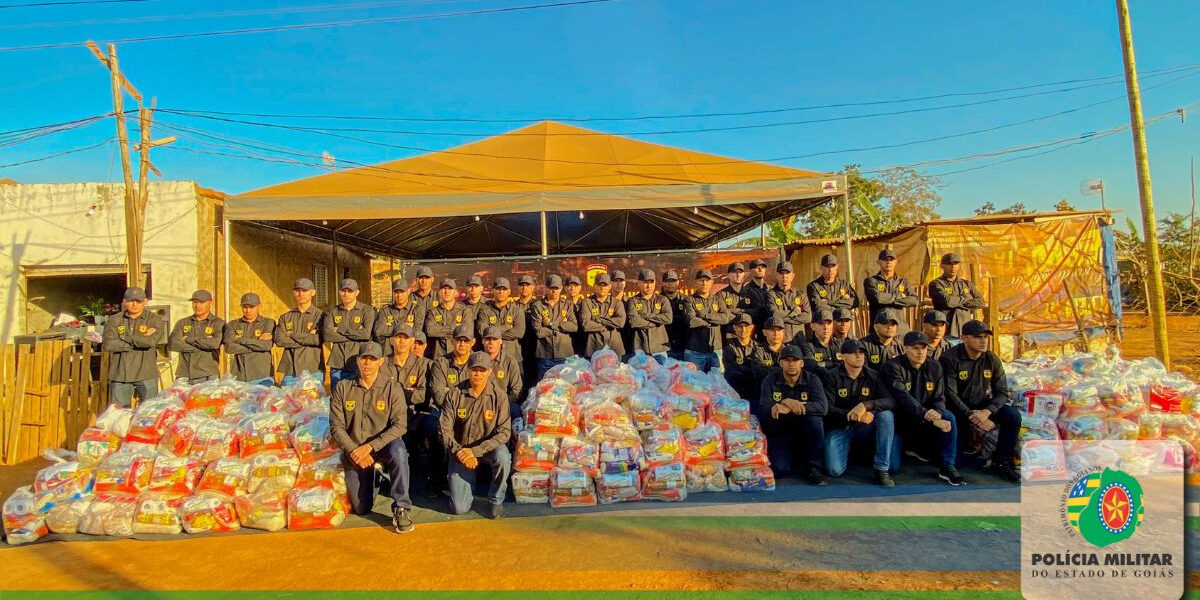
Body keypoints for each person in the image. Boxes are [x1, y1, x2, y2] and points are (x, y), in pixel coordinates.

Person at [329, 342, 413, 533]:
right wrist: (353, 450)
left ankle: (401, 507)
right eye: (364, 358)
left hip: (383, 447)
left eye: (372, 359)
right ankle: (375, 475)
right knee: (361, 508)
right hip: (355, 450)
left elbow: (400, 425)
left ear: (381, 361)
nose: (368, 363)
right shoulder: (343, 387)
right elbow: (336, 426)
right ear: (358, 361)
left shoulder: (392, 388)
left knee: (399, 451)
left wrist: (370, 447)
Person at [940, 320, 1020, 482]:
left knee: (1012, 415)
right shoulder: (950, 358)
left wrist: (987, 412)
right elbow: (950, 394)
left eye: (985, 337)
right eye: (977, 337)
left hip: (982, 405)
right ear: (964, 338)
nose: (983, 341)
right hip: (957, 409)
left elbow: (1002, 392)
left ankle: (1002, 462)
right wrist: (972, 416)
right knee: (957, 461)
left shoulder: (991, 358)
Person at [881, 331, 964, 486]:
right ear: (905, 348)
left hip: (927, 418)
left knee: (948, 417)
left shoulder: (935, 366)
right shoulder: (893, 367)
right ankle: (909, 447)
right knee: (893, 467)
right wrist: (927, 414)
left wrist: (938, 412)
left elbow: (940, 396)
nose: (920, 352)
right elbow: (903, 398)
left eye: (923, 348)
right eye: (915, 348)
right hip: (901, 420)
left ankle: (947, 466)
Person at [439, 351, 512, 518]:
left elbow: (504, 432)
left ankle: (496, 500)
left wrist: (476, 451)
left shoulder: (499, 396)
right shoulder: (454, 393)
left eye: (482, 370)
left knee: (503, 457)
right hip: (461, 451)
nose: (478, 374)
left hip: (488, 448)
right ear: (468, 370)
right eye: (474, 370)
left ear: (489, 371)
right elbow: (444, 430)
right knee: (459, 508)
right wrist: (460, 452)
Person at [823, 340, 899, 485]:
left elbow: (891, 401)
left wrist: (866, 405)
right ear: (842, 356)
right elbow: (827, 409)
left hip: (866, 427)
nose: (859, 356)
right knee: (834, 470)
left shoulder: (873, 376)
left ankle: (881, 469)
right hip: (841, 427)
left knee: (886, 416)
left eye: (861, 353)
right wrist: (853, 415)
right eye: (853, 353)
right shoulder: (831, 376)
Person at [758, 344, 828, 485]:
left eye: (795, 360)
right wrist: (782, 402)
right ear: (781, 363)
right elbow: (764, 407)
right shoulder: (770, 380)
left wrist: (792, 406)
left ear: (802, 363)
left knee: (815, 421)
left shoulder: (812, 379)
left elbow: (822, 407)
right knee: (781, 469)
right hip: (780, 432)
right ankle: (797, 461)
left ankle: (814, 467)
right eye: (787, 360)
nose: (791, 364)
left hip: (804, 432)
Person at [103, 287, 165, 406]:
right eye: (131, 300)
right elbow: (109, 344)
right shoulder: (114, 320)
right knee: (119, 415)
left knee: (148, 413)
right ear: (124, 302)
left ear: (145, 301)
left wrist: (125, 338)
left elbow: (150, 342)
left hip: (146, 374)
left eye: (138, 301)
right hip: (121, 374)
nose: (134, 304)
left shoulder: (155, 320)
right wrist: (139, 340)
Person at [322, 278, 376, 388]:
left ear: (357, 292)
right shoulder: (332, 312)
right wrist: (355, 333)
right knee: (337, 396)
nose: (346, 294)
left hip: (357, 362)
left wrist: (339, 330)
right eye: (343, 290)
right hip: (337, 362)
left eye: (350, 291)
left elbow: (365, 334)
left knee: (357, 395)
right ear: (339, 292)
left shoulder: (367, 310)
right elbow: (327, 335)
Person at [169, 289, 225, 384]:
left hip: (207, 375)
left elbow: (215, 344)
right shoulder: (182, 322)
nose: (197, 306)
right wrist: (200, 346)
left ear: (210, 303)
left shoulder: (218, 323)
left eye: (201, 302)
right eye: (195, 302)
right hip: (184, 374)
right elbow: (173, 344)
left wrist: (187, 339)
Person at [275, 278, 324, 386]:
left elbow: (317, 340)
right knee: (289, 402)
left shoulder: (321, 316)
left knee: (313, 403)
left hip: (313, 370)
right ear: (293, 293)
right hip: (290, 371)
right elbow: (279, 341)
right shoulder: (286, 317)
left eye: (304, 290)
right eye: (297, 290)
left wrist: (291, 335)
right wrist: (307, 339)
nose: (300, 294)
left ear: (313, 292)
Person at [682, 269, 733, 372]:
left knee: (718, 383)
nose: (704, 283)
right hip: (695, 352)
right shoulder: (689, 300)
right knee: (695, 384)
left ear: (711, 282)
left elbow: (725, 318)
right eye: (701, 280)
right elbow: (691, 321)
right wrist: (714, 320)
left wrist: (704, 316)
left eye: (707, 280)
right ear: (696, 282)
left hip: (716, 350)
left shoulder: (718, 299)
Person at [929, 253, 987, 339]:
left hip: (966, 333)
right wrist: (966, 297)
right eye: (949, 264)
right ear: (942, 266)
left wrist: (957, 302)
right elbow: (948, 302)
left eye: (955, 264)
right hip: (946, 333)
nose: (953, 267)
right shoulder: (936, 284)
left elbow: (981, 302)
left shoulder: (966, 284)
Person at [223, 293, 276, 385]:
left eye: (251, 307)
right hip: (240, 376)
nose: (248, 310)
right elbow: (229, 348)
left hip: (262, 375)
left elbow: (266, 346)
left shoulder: (268, 322)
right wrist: (256, 345)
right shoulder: (233, 324)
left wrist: (240, 340)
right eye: (245, 307)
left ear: (259, 306)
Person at [531, 275, 578, 380]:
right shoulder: (538, 306)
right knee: (545, 389)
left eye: (557, 288)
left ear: (561, 288)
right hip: (545, 355)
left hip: (565, 355)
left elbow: (574, 327)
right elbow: (538, 331)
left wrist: (551, 324)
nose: (554, 291)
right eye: (551, 288)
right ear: (546, 288)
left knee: (567, 388)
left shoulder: (568, 304)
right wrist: (561, 326)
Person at [863, 249, 918, 333]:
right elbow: (878, 298)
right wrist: (900, 296)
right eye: (885, 260)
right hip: (879, 329)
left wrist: (887, 299)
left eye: (891, 260)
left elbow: (914, 300)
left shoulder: (903, 281)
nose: (888, 262)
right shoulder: (871, 281)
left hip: (900, 330)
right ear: (879, 262)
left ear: (896, 262)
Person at [624, 269, 673, 364]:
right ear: (639, 283)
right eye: (645, 282)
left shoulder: (662, 299)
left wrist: (645, 317)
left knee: (662, 376)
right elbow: (634, 322)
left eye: (651, 282)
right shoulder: (632, 301)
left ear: (655, 283)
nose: (648, 285)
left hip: (660, 348)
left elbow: (668, 318)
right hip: (641, 349)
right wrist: (656, 321)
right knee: (641, 377)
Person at [474, 277, 526, 361]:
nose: (501, 292)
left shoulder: (517, 310)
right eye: (498, 289)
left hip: (513, 357)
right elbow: (483, 332)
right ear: (493, 291)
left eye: (504, 289)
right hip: (490, 357)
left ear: (509, 292)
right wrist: (507, 327)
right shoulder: (484, 310)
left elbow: (519, 332)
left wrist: (493, 332)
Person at [578, 273, 626, 358]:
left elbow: (620, 322)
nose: (602, 288)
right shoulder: (586, 302)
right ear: (594, 286)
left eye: (605, 285)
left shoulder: (617, 303)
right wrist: (610, 325)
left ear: (609, 286)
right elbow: (586, 325)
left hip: (615, 349)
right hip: (593, 348)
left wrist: (599, 319)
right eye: (599, 285)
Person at [374, 278, 426, 355]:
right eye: (396, 292)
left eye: (402, 292)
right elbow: (379, 330)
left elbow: (416, 330)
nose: (399, 295)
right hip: (389, 354)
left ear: (408, 291)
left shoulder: (417, 309)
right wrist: (407, 327)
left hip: (410, 353)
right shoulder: (385, 310)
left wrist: (390, 327)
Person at [424, 278, 469, 358]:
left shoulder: (465, 311)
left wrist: (441, 331)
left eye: (450, 289)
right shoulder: (432, 312)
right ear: (440, 292)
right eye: (444, 288)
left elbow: (467, 332)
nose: (446, 292)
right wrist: (454, 329)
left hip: (458, 356)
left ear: (455, 292)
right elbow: (430, 331)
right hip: (438, 357)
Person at [481, 326, 522, 413]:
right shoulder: (477, 360)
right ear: (483, 341)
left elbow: (517, 389)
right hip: (480, 403)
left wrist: (503, 403)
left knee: (516, 411)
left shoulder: (510, 361)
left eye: (494, 339)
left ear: (500, 341)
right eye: (488, 339)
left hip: (503, 402)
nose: (491, 342)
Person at [767, 261, 811, 342]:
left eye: (787, 273)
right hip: (782, 341)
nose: (784, 276)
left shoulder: (800, 294)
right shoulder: (771, 294)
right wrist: (795, 312)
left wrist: (783, 318)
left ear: (792, 275)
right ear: (776, 275)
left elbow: (808, 317)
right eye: (781, 273)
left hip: (799, 340)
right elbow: (775, 315)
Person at [722, 313, 760, 401]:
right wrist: (750, 369)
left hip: (754, 392)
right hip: (735, 393)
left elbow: (759, 371)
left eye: (746, 326)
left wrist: (742, 369)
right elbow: (731, 371)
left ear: (752, 327)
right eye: (740, 326)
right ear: (734, 328)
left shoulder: (758, 348)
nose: (743, 330)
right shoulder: (729, 348)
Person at [514, 274, 539, 396]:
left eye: (527, 285)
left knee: (533, 379)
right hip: (517, 346)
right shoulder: (513, 306)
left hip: (535, 346)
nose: (524, 288)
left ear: (533, 287)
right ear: (518, 288)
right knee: (519, 378)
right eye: (521, 285)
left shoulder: (538, 305)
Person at [713, 262, 750, 343]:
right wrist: (745, 315)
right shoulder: (721, 295)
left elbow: (757, 312)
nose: (738, 275)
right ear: (728, 275)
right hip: (729, 337)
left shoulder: (751, 292)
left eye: (740, 272)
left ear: (743, 274)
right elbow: (724, 315)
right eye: (734, 272)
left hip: (749, 337)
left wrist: (733, 310)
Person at [660, 270, 689, 361]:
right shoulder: (657, 301)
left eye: (673, 281)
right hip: (664, 347)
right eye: (667, 281)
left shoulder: (686, 300)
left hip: (683, 346)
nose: (670, 284)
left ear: (677, 282)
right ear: (663, 283)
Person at [743, 258, 772, 332]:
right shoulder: (745, 290)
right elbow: (745, 311)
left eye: (762, 267)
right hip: (754, 330)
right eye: (757, 267)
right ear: (751, 271)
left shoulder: (771, 289)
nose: (760, 269)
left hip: (771, 330)